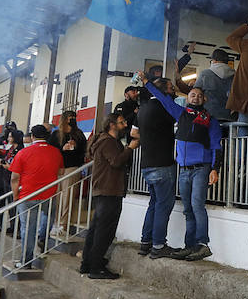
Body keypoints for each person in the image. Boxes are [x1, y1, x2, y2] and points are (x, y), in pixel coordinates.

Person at [144, 80, 222, 261]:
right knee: (187, 209)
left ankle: (202, 244)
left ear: (205, 99)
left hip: (201, 169)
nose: (196, 98)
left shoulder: (210, 120)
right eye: (193, 95)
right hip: (184, 170)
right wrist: (147, 82)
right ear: (187, 97)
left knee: (197, 206)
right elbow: (164, 100)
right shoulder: (181, 113)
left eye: (199, 96)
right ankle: (190, 246)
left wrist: (214, 169)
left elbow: (216, 146)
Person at [82, 113, 138, 278]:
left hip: (104, 190)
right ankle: (96, 267)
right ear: (112, 125)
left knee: (96, 229)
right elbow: (116, 161)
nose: (125, 125)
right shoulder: (108, 142)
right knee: (104, 231)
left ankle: (88, 263)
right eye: (122, 122)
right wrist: (130, 148)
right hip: (109, 190)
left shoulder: (105, 141)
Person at [6, 125, 65, 268]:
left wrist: (15, 196)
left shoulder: (23, 152)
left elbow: (14, 177)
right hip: (49, 193)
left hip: (27, 195)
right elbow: (61, 172)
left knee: (28, 229)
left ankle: (26, 261)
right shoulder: (56, 152)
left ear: (32, 136)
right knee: (48, 217)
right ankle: (43, 238)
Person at [136, 76, 179, 257]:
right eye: (170, 88)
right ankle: (159, 246)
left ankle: (146, 242)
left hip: (147, 164)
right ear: (163, 91)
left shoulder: (143, 110)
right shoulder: (164, 108)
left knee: (153, 203)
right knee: (163, 205)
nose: (173, 91)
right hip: (163, 163)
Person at [195, 49, 236, 122]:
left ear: (213, 60)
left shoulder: (205, 74)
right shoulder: (236, 76)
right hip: (230, 116)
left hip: (209, 116)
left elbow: (195, 93)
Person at [0, 124, 24, 197]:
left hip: (11, 175)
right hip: (0, 174)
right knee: (0, 199)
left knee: (11, 197)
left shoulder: (19, 148)